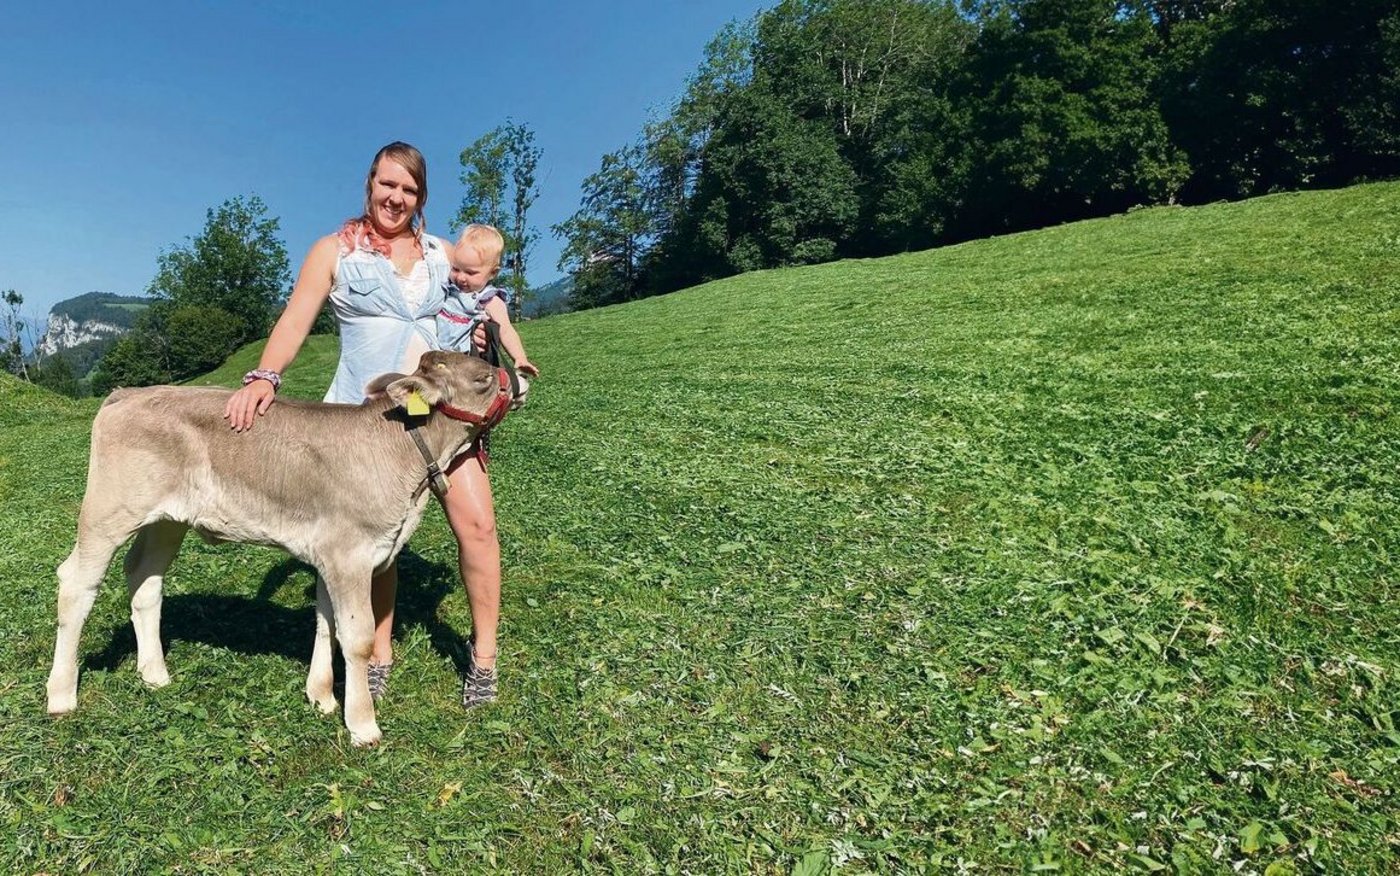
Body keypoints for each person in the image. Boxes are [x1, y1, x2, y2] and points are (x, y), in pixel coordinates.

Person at [223, 141, 515, 708]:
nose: (396, 197)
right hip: (368, 418)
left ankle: (483, 659)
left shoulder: (440, 252)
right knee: (373, 542)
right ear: (369, 184)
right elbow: (296, 317)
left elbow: (477, 298)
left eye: (408, 188)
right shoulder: (336, 251)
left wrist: (486, 336)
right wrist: (265, 376)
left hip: (437, 411)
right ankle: (377, 654)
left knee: (477, 525)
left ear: (421, 196)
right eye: (387, 184)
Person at [437, 223, 538, 375]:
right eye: (456, 269)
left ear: (493, 273)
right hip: (436, 357)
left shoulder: (489, 300)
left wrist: (520, 357)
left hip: (466, 364)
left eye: (470, 273)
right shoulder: (448, 289)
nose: (461, 277)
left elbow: (506, 330)